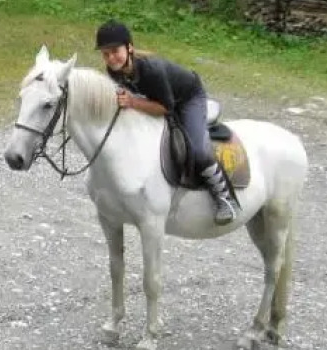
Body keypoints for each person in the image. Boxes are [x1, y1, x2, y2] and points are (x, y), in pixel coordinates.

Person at [94, 19, 240, 224]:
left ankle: (225, 198)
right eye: (105, 54)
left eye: (115, 51)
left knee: (197, 149)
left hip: (187, 99)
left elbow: (165, 108)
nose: (110, 58)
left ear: (129, 47)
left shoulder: (151, 70)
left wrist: (133, 102)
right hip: (156, 97)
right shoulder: (113, 71)